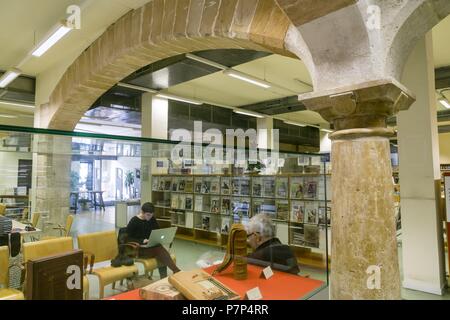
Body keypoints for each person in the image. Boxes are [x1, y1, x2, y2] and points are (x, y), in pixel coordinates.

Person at [126, 202, 181, 278]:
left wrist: (162, 238)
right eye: (148, 215)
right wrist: (142, 241)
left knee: (160, 251)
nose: (150, 217)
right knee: (160, 250)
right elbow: (127, 238)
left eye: (151, 215)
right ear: (142, 212)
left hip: (151, 247)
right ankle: (175, 271)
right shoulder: (134, 221)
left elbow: (157, 232)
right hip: (138, 249)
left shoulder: (152, 219)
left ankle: (166, 276)